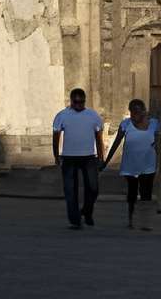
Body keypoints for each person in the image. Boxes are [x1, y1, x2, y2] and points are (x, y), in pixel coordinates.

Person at [103, 98, 161, 232]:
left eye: (137, 112)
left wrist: (159, 164)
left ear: (143, 112)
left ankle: (146, 221)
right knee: (132, 192)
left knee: (146, 193)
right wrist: (106, 161)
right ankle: (131, 218)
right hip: (130, 165)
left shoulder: (154, 124)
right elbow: (116, 143)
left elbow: (159, 144)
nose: (134, 116)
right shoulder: (125, 124)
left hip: (148, 165)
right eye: (132, 112)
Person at [52, 88, 106, 229]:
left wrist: (101, 157)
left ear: (84, 101)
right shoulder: (62, 116)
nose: (78, 104)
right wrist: (56, 156)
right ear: (71, 101)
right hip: (69, 158)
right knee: (70, 190)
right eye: (76, 102)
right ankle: (75, 219)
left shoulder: (93, 115)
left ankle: (87, 212)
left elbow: (99, 138)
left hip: (89, 157)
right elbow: (56, 136)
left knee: (93, 188)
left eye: (81, 102)